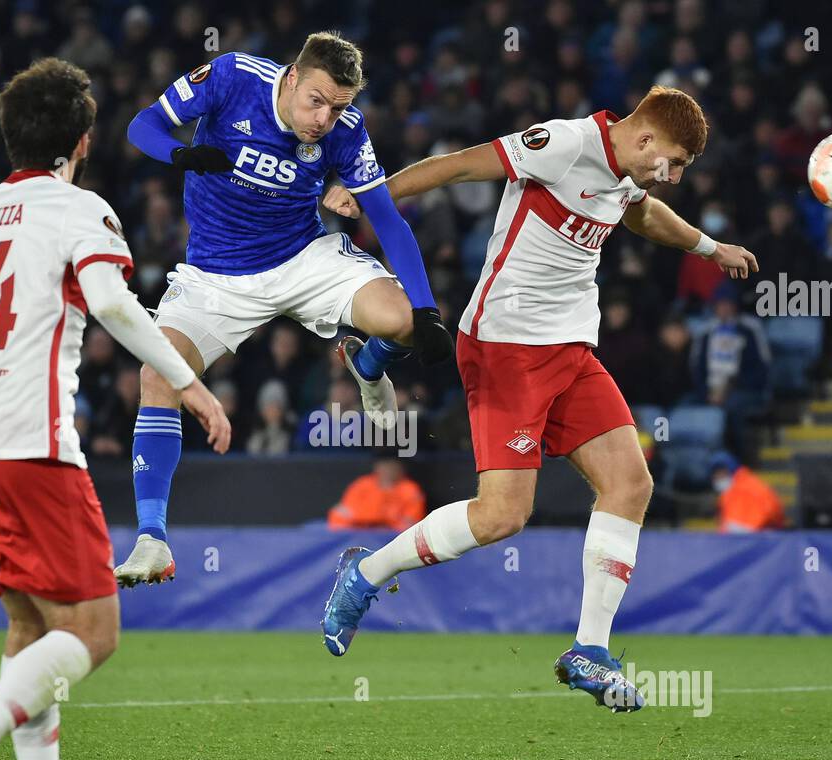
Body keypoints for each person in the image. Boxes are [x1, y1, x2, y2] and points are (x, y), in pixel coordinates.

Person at [319, 86, 758, 712]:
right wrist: (367, 193)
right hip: (504, 346)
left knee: (631, 484)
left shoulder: (627, 174)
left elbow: (642, 215)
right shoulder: (565, 143)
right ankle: (365, 574)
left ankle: (589, 649)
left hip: (571, 351)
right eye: (677, 162)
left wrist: (712, 249)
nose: (677, 176)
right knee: (502, 517)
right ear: (646, 139)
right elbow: (459, 165)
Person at [0, 58, 231, 760]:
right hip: (33, 447)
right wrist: (191, 384)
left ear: (10, 136)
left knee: (31, 623)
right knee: (94, 629)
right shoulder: (80, 209)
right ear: (81, 142)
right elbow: (113, 301)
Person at [115, 31, 451, 587]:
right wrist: (180, 152)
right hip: (215, 276)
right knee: (158, 375)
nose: (323, 118)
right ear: (291, 76)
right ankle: (152, 539)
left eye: (338, 106)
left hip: (302, 258)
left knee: (401, 321)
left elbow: (387, 219)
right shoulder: (231, 77)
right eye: (316, 100)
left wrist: (427, 312)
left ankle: (367, 365)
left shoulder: (345, 130)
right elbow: (140, 125)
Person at [327, 455, 426, 531]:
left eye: (392, 466)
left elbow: (411, 523)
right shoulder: (362, 484)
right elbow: (343, 514)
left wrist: (381, 521)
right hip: (359, 534)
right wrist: (378, 518)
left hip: (391, 538)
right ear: (376, 467)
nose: (388, 470)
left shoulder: (410, 489)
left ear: (401, 469)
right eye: (384, 465)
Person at [710, 453, 785, 532]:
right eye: (715, 475)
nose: (717, 478)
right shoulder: (734, 489)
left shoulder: (744, 489)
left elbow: (744, 529)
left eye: (721, 473)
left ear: (731, 470)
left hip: (765, 539)